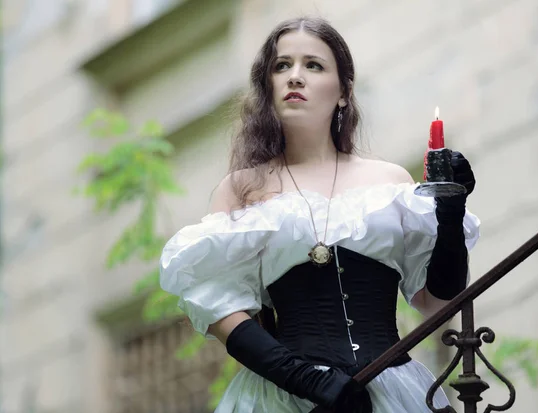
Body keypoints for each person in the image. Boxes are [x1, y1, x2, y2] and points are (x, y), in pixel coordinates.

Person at [159, 16, 480, 413]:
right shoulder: (241, 189)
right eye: (282, 66)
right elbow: (220, 311)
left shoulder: (389, 181)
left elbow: (436, 301)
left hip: (394, 391)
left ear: (343, 92)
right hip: (286, 395)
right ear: (268, 86)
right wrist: (303, 378)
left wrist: (450, 213)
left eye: (313, 65)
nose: (295, 76)